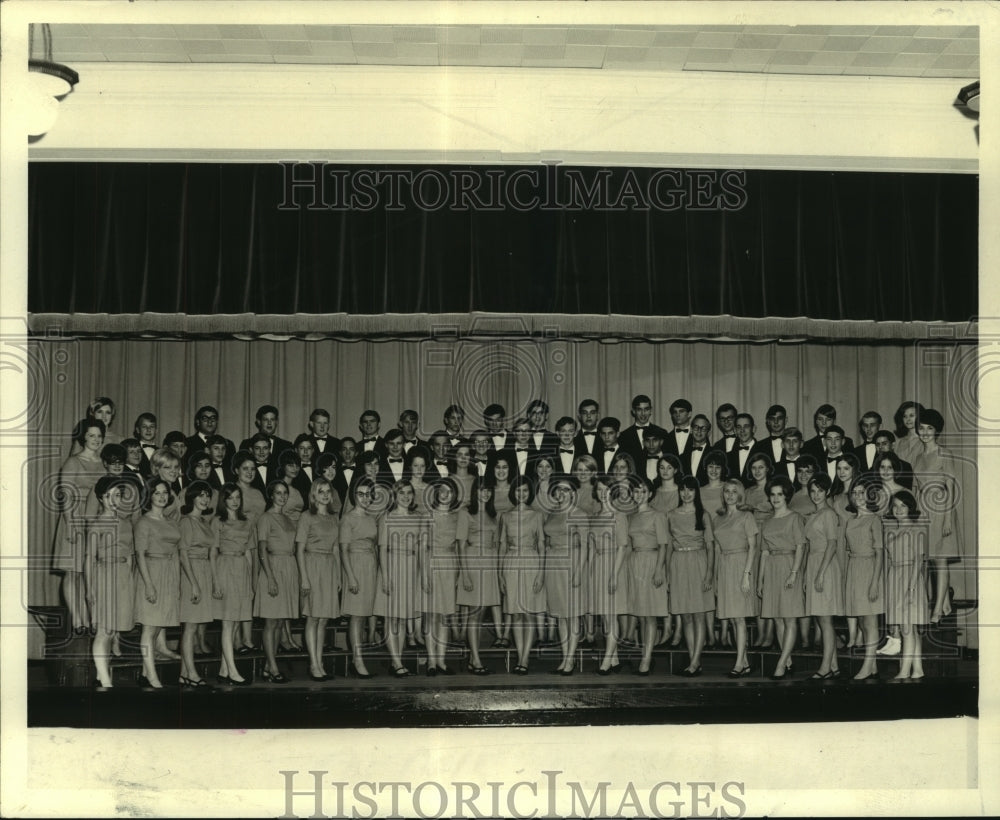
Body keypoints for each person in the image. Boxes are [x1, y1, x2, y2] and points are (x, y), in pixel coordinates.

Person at [53, 419, 107, 633]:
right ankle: (77, 619)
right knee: (72, 571)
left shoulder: (103, 463)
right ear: (84, 436)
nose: (96, 439)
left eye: (99, 436)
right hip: (74, 517)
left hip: (94, 520)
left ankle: (89, 618)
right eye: (92, 435)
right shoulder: (73, 462)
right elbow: (65, 495)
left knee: (89, 572)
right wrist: (70, 525)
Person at [83, 475, 136, 691]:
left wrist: (130, 581)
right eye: (108, 496)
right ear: (100, 498)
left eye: (117, 495)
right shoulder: (96, 525)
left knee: (114, 631)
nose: (113, 499)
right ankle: (105, 681)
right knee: (104, 631)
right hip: (104, 575)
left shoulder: (126, 523)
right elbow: (89, 558)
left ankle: (100, 675)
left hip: (123, 576)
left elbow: (131, 554)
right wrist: (89, 589)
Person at [911, 408, 962, 625]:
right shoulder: (917, 456)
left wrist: (948, 519)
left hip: (941, 510)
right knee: (925, 562)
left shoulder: (944, 453)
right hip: (922, 511)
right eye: (921, 428)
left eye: (929, 428)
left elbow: (951, 487)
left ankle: (937, 610)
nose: (924, 432)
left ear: (937, 431)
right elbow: (914, 489)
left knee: (940, 562)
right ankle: (944, 604)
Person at [133, 477, 182, 689]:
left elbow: (176, 551)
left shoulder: (170, 521)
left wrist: (177, 581)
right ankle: (152, 677)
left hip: (168, 573)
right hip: (151, 572)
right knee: (149, 628)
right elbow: (140, 555)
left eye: (164, 493)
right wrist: (149, 585)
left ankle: (146, 673)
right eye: (157, 493)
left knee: (157, 627)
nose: (162, 497)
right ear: (149, 496)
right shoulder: (144, 522)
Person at [757, 476, 806, 679]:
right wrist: (760, 579)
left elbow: (801, 547)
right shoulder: (767, 521)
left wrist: (794, 573)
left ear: (786, 496)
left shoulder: (795, 517)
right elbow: (764, 552)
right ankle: (787, 661)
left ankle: (780, 663)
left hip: (788, 565)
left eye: (780, 494)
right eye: (772, 494)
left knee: (789, 617)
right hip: (772, 568)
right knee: (777, 618)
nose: (776, 498)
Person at [666, 476, 715, 676]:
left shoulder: (703, 515)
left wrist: (709, 573)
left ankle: (695, 661)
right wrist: (668, 573)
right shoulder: (671, 515)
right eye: (683, 490)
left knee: (699, 614)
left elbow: (710, 546)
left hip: (698, 562)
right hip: (679, 562)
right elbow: (669, 546)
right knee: (685, 615)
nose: (686, 494)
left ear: (696, 493)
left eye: (691, 490)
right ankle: (693, 659)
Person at [210, 483, 257, 685]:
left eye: (238, 497)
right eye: (230, 498)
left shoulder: (247, 522)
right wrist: (215, 582)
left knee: (236, 621)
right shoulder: (217, 521)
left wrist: (251, 581)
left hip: (241, 570)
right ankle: (232, 671)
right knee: (228, 623)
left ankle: (223, 668)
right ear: (224, 500)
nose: (235, 501)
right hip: (225, 567)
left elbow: (248, 552)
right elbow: (212, 553)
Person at [498, 475, 546, 674]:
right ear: (513, 492)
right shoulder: (506, 516)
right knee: (516, 613)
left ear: (530, 492)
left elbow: (542, 545)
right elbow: (502, 545)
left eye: (525, 490)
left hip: (531, 562)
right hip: (511, 562)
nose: (522, 494)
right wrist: (500, 573)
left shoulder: (537, 515)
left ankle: (525, 659)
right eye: (518, 490)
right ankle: (519, 655)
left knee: (528, 614)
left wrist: (541, 574)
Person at [376, 480, 425, 676]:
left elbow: (421, 548)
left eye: (409, 493)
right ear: (394, 496)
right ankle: (395, 662)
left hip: (411, 568)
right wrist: (386, 577)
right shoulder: (386, 517)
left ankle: (399, 658)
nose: (406, 496)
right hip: (392, 566)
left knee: (404, 618)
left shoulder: (418, 517)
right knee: (391, 617)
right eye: (402, 493)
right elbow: (381, 549)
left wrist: (422, 574)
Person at [295, 478, 341, 681]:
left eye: (327, 491)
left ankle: (320, 663)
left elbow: (336, 548)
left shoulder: (334, 517)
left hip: (329, 566)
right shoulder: (307, 516)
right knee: (313, 618)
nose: (324, 494)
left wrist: (339, 575)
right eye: (320, 491)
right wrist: (304, 578)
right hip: (312, 565)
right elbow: (299, 549)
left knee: (323, 620)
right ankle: (313, 664)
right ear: (314, 494)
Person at [712, 479, 759, 677]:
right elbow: (716, 548)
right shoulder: (718, 518)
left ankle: (739, 663)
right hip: (724, 566)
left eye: (734, 491)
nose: (730, 495)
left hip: (740, 565)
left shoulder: (747, 516)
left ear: (740, 495)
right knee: (732, 618)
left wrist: (746, 575)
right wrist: (715, 576)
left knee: (739, 617)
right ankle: (745, 661)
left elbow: (753, 547)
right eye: (727, 491)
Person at [254, 481, 300, 683]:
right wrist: (270, 578)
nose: (281, 496)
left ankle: (267, 667)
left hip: (289, 567)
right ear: (271, 496)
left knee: (280, 621)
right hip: (272, 568)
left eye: (284, 493)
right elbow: (261, 549)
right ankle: (273, 666)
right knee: (271, 622)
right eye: (278, 493)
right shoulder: (265, 518)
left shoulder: (289, 519)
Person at [542, 477, 587, 675]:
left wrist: (578, 572)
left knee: (573, 613)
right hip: (554, 563)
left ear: (573, 493)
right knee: (561, 614)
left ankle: (571, 659)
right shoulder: (552, 514)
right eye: (558, 489)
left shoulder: (579, 514)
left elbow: (585, 545)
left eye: (566, 490)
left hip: (571, 561)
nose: (562, 493)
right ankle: (564, 656)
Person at [626, 478, 670, 675]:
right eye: (636, 491)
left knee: (650, 615)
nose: (639, 494)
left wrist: (659, 569)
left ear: (650, 494)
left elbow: (663, 544)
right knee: (641, 615)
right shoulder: (631, 516)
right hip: (635, 562)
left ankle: (647, 658)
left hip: (652, 561)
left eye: (643, 490)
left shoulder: (658, 515)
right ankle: (645, 653)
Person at [843, 475, 886, 680]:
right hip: (854, 568)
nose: (858, 496)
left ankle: (867, 665)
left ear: (869, 495)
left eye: (862, 492)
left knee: (870, 622)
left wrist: (875, 583)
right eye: (855, 493)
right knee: (861, 620)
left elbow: (879, 552)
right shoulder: (851, 521)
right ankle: (874, 666)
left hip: (869, 569)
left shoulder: (874, 519)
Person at [803, 475, 845, 679]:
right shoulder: (814, 514)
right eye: (813, 491)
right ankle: (834, 666)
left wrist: (820, 573)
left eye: (820, 490)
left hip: (825, 566)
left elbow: (832, 544)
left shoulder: (828, 513)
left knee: (825, 619)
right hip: (814, 563)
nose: (816, 494)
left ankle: (825, 667)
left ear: (827, 491)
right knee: (821, 619)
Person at [884, 490, 929, 680]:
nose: (899, 509)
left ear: (910, 508)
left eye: (903, 505)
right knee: (908, 628)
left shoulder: (917, 529)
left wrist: (911, 588)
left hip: (909, 578)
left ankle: (904, 671)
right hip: (895, 577)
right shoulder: (891, 530)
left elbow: (919, 560)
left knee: (907, 629)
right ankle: (917, 669)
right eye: (895, 505)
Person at [420, 477, 463, 676]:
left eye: (450, 491)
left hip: (450, 564)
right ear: (437, 493)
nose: (445, 494)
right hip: (432, 563)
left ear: (454, 494)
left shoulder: (457, 517)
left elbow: (459, 546)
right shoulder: (428, 516)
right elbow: (421, 547)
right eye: (442, 491)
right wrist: (424, 575)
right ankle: (430, 660)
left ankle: (441, 660)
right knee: (431, 615)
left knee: (445, 615)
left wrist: (458, 573)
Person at [177, 481, 217, 688]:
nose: (205, 499)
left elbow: (210, 553)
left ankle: (184, 672)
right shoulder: (186, 522)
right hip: (190, 573)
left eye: (207, 495)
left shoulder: (203, 521)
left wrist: (212, 581)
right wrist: (193, 583)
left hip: (203, 572)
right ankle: (191, 672)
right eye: (201, 495)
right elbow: (183, 554)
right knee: (190, 627)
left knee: (194, 625)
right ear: (192, 497)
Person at [340, 478, 381, 678]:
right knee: (356, 617)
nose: (365, 498)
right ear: (353, 496)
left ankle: (359, 657)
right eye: (360, 494)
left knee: (364, 615)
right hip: (355, 566)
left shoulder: (371, 518)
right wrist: (351, 577)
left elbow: (374, 545)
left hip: (370, 566)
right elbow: (343, 550)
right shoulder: (347, 518)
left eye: (368, 494)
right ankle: (357, 660)